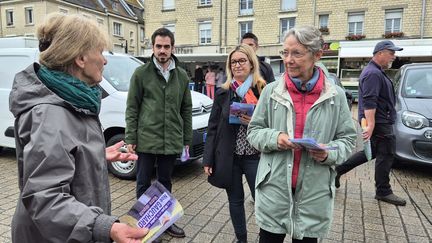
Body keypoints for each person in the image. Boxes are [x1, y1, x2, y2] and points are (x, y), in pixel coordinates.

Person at [10, 13, 147, 243]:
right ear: (80, 58)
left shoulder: (71, 99)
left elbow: (59, 159)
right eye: (100, 52)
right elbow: (45, 197)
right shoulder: (50, 114)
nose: (105, 60)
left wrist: (95, 155)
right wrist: (106, 227)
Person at [247, 26, 357, 243]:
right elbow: (254, 131)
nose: (288, 60)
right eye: (285, 53)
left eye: (297, 53)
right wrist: (275, 138)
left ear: (317, 55)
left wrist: (328, 154)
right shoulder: (271, 91)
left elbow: (348, 140)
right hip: (274, 188)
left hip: (313, 192)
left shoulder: (335, 96)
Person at [125, 27, 191, 239]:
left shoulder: (181, 75)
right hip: (146, 139)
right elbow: (132, 107)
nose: (162, 50)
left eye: (166, 46)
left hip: (171, 138)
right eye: (158, 46)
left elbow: (186, 109)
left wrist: (186, 139)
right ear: (152, 47)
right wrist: (131, 137)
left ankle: (165, 222)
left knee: (165, 181)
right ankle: (142, 226)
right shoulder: (141, 74)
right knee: (143, 182)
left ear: (172, 48)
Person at [203, 44, 266, 243]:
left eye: (242, 61)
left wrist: (254, 120)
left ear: (251, 63)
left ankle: (265, 236)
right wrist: (208, 159)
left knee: (262, 201)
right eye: (233, 62)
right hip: (230, 157)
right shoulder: (223, 92)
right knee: (235, 201)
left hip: (255, 156)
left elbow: (273, 122)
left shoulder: (263, 89)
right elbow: (212, 127)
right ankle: (242, 239)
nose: (237, 65)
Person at [335, 40, 406, 206]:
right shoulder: (373, 73)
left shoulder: (376, 72)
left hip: (379, 121)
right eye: (391, 53)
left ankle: (338, 170)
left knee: (372, 152)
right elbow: (369, 101)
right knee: (386, 155)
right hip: (380, 122)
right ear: (380, 53)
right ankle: (383, 191)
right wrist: (371, 125)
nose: (394, 57)